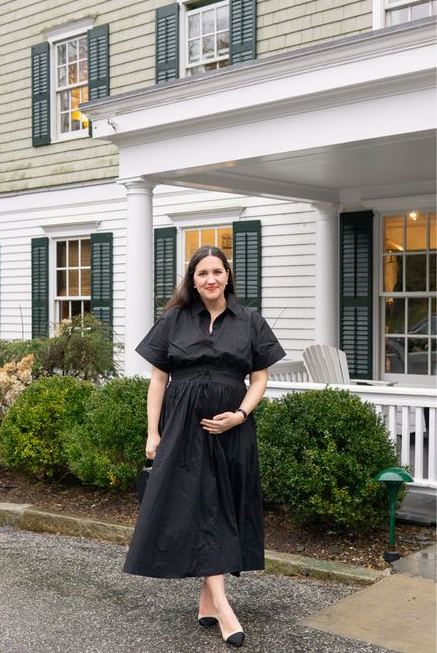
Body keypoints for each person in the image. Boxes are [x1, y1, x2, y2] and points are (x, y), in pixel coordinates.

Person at [123, 245, 285, 647]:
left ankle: (207, 600)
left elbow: (260, 378)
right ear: (192, 280)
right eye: (201, 273)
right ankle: (225, 607)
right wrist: (152, 433)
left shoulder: (250, 321)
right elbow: (158, 380)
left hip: (232, 431)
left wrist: (240, 415)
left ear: (228, 275)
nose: (210, 279)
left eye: (217, 271)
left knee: (222, 506)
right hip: (183, 429)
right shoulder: (174, 319)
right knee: (199, 506)